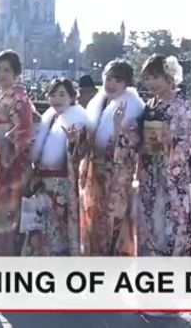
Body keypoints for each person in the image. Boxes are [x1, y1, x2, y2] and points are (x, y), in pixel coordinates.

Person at [80, 60, 144, 256]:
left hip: (117, 175)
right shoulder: (98, 102)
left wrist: (117, 127)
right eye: (108, 78)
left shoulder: (133, 106)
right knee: (94, 214)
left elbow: (132, 144)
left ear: (127, 84)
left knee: (114, 216)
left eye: (117, 80)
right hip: (95, 171)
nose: (111, 84)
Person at [137, 55, 191, 256]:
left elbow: (189, 140)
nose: (150, 83)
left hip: (170, 172)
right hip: (149, 170)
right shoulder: (149, 105)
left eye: (155, 77)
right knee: (149, 219)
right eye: (146, 78)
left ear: (169, 77)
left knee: (171, 220)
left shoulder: (180, 104)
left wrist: (172, 142)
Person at [24, 78, 89, 256]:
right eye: (52, 95)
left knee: (59, 230)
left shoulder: (78, 119)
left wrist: (74, 142)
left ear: (72, 96)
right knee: (42, 228)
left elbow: (83, 152)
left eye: (62, 94)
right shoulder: (50, 117)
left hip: (62, 184)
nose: (56, 99)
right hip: (43, 183)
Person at [0, 50, 35, 256]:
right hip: (0, 161)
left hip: (14, 163)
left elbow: (24, 129)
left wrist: (6, 142)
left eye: (6, 70)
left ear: (16, 74)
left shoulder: (18, 97)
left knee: (10, 211)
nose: (1, 74)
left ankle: (9, 255)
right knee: (0, 209)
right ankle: (0, 252)